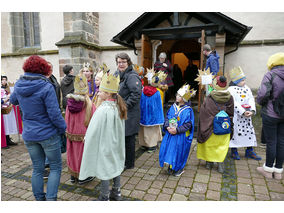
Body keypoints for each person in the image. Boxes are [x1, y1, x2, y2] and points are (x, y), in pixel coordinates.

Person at [10, 55, 66, 201]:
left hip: (29, 133)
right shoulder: (46, 86)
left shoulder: (19, 84)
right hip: (48, 134)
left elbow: (13, 100)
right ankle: (50, 200)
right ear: (43, 69)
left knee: (37, 168)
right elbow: (54, 114)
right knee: (55, 167)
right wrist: (63, 128)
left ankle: (39, 199)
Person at [79, 70, 127, 201]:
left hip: (105, 143)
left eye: (100, 91)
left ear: (107, 94)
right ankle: (116, 192)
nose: (98, 92)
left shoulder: (103, 109)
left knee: (105, 168)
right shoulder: (118, 106)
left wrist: (87, 138)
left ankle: (104, 196)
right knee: (115, 165)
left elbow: (94, 129)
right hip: (116, 143)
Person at [197, 76, 234, 173]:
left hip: (211, 127)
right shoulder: (230, 97)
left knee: (210, 144)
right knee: (222, 145)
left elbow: (204, 112)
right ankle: (220, 163)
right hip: (224, 127)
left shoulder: (210, 97)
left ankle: (209, 162)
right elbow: (231, 113)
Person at [256, 52, 284, 180]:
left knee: (271, 141)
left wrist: (259, 103)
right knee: (281, 141)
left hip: (271, 113)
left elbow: (263, 94)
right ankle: (278, 172)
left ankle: (267, 169)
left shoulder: (270, 74)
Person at [65, 73, 96, 184]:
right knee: (83, 156)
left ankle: (73, 176)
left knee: (72, 154)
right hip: (84, 135)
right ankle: (84, 176)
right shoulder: (89, 104)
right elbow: (94, 121)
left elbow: (67, 119)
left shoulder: (69, 104)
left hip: (71, 134)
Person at [159, 84, 195, 176]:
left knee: (179, 151)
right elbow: (167, 117)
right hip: (170, 134)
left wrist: (177, 130)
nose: (176, 96)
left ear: (184, 98)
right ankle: (171, 166)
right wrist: (167, 127)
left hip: (180, 136)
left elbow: (188, 124)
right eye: (177, 94)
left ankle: (178, 168)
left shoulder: (188, 110)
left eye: (179, 95)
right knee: (170, 150)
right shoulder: (173, 106)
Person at [227, 67, 261, 160]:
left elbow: (251, 99)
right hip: (237, 116)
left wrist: (252, 111)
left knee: (249, 132)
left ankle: (249, 151)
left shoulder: (247, 88)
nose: (244, 82)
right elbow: (233, 102)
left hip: (247, 116)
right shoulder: (231, 90)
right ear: (236, 81)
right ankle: (234, 151)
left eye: (244, 80)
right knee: (235, 133)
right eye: (242, 80)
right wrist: (242, 111)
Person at [115, 53, 142, 170]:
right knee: (122, 137)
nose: (121, 64)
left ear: (128, 62)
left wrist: (124, 106)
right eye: (119, 62)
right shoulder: (118, 74)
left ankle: (129, 163)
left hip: (129, 112)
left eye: (123, 62)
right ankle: (123, 160)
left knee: (128, 137)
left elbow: (136, 94)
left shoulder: (131, 76)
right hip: (121, 111)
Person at [139, 69, 167, 153]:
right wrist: (160, 116)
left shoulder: (143, 90)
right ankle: (152, 145)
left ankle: (144, 144)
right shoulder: (157, 92)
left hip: (144, 113)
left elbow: (141, 102)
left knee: (144, 129)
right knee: (152, 130)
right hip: (153, 114)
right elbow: (159, 105)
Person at [1, 75, 22, 146]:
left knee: (9, 124)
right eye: (2, 80)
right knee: (4, 125)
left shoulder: (9, 88)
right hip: (3, 109)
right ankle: (5, 140)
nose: (4, 81)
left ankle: (8, 139)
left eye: (5, 80)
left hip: (9, 108)